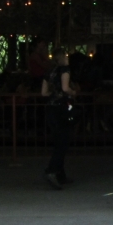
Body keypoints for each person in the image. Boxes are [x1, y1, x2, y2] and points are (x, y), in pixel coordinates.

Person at [41, 48, 75, 189]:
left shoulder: (49, 72)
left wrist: (52, 94)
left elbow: (43, 93)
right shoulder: (64, 70)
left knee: (58, 140)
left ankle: (60, 173)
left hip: (51, 107)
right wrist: (73, 92)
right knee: (63, 141)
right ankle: (53, 170)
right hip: (61, 108)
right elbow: (65, 88)